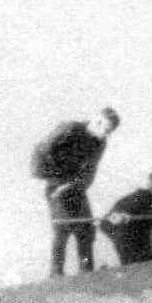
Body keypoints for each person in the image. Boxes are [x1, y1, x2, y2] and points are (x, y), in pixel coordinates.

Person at [32, 107, 118, 276]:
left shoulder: (100, 143)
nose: (105, 135)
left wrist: (78, 185)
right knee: (62, 228)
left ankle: (87, 272)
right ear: (96, 121)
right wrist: (53, 179)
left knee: (86, 229)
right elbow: (41, 149)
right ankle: (56, 273)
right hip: (56, 186)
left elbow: (90, 170)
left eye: (109, 132)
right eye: (105, 129)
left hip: (76, 188)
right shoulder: (70, 129)